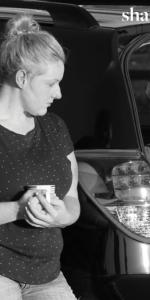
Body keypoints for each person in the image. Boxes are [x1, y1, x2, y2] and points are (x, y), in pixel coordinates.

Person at [0, 14, 79, 299]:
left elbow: (71, 200)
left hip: (46, 274)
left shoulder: (55, 128)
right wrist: (18, 210)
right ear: (22, 78)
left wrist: (61, 216)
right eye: (50, 83)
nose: (58, 93)